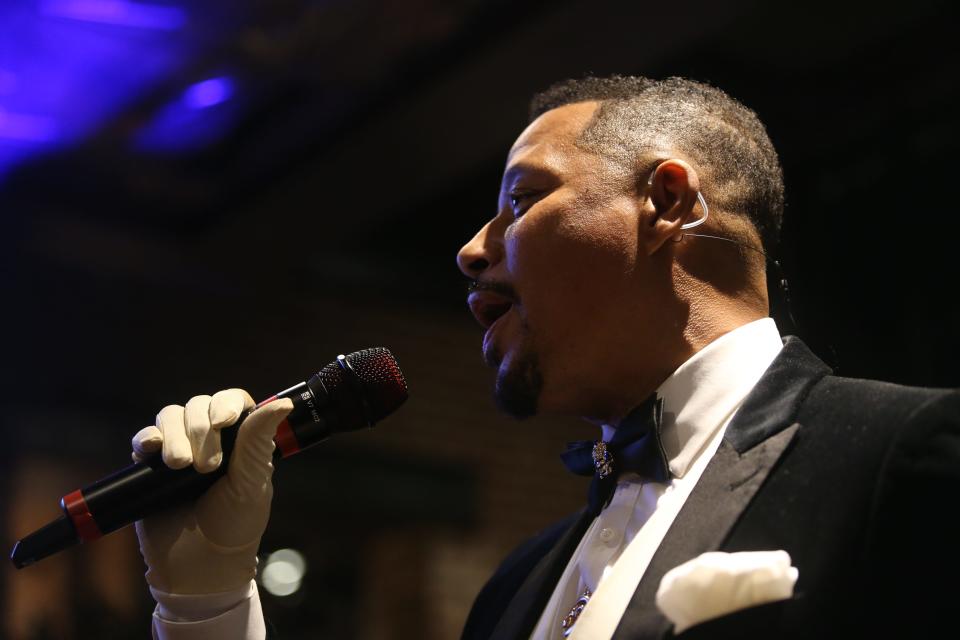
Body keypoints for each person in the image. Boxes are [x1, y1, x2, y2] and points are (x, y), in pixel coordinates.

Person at [132, 76, 960, 639]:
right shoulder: (514, 588)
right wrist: (206, 601)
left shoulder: (902, 453)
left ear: (667, 201)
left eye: (522, 199)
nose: (468, 251)